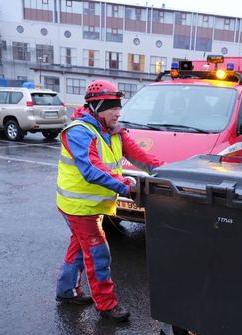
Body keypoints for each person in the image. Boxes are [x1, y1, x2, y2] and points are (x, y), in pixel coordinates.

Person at [55, 80, 163, 322]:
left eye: (119, 106)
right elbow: (92, 169)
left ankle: (66, 291)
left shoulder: (113, 131)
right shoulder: (79, 132)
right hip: (78, 207)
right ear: (96, 107)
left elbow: (142, 157)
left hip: (90, 206)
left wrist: (169, 171)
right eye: (112, 106)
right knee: (98, 253)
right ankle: (106, 305)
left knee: (80, 248)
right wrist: (126, 186)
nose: (118, 111)